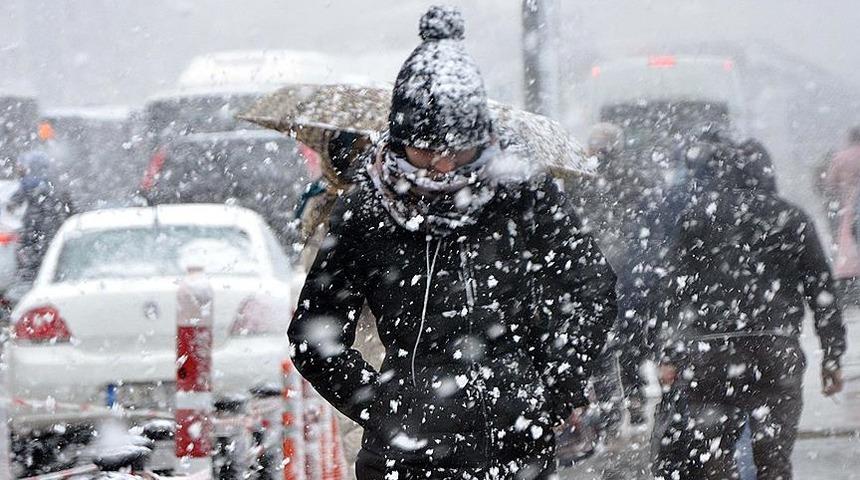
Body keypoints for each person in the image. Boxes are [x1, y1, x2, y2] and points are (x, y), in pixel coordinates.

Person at [288, 6, 618, 479]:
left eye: (457, 151)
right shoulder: (367, 210)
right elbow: (313, 336)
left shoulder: (520, 194)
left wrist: (554, 384)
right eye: (425, 150)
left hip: (517, 447)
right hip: (408, 458)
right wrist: (384, 407)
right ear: (399, 141)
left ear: (482, 138)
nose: (442, 168)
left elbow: (591, 285)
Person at [651, 135, 846, 480]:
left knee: (712, 459)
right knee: (773, 460)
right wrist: (832, 353)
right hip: (775, 347)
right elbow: (821, 287)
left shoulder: (697, 216)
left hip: (710, 352)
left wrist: (667, 353)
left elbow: (671, 288)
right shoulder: (790, 217)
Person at [8, 150, 75, 282]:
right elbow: (65, 204)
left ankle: (32, 281)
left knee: (32, 261)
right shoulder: (50, 183)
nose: (21, 169)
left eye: (24, 166)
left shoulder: (29, 184)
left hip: (35, 228)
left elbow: (13, 203)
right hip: (51, 228)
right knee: (48, 258)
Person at [826, 126, 860, 301]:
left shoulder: (841, 158)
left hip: (848, 204)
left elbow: (831, 182)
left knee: (848, 242)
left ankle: (851, 282)